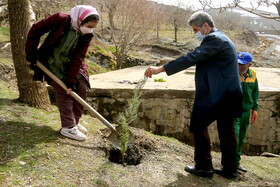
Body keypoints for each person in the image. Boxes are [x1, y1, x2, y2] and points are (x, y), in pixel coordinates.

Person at [144, 11, 243, 179]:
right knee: (227, 131)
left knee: (198, 123)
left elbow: (192, 57)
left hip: (220, 95)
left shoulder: (215, 39)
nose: (195, 33)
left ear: (206, 26)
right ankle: (230, 169)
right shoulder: (221, 37)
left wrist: (161, 69)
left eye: (195, 29)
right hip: (227, 93)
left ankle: (204, 166)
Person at [25, 5, 100, 141]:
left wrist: (71, 81)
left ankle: (74, 123)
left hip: (71, 64)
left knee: (81, 88)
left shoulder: (87, 35)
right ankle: (68, 128)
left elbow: (79, 57)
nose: (90, 29)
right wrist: (31, 53)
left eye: (92, 27)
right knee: (63, 90)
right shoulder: (60, 19)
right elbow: (36, 29)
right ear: (80, 20)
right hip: (51, 62)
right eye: (88, 25)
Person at [235, 52, 259, 172]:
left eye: (243, 65)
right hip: (234, 111)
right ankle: (230, 163)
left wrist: (254, 109)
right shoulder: (232, 73)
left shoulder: (253, 75)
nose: (240, 66)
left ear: (250, 64)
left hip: (246, 112)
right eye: (238, 63)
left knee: (242, 138)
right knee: (235, 137)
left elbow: (255, 92)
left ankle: (237, 162)